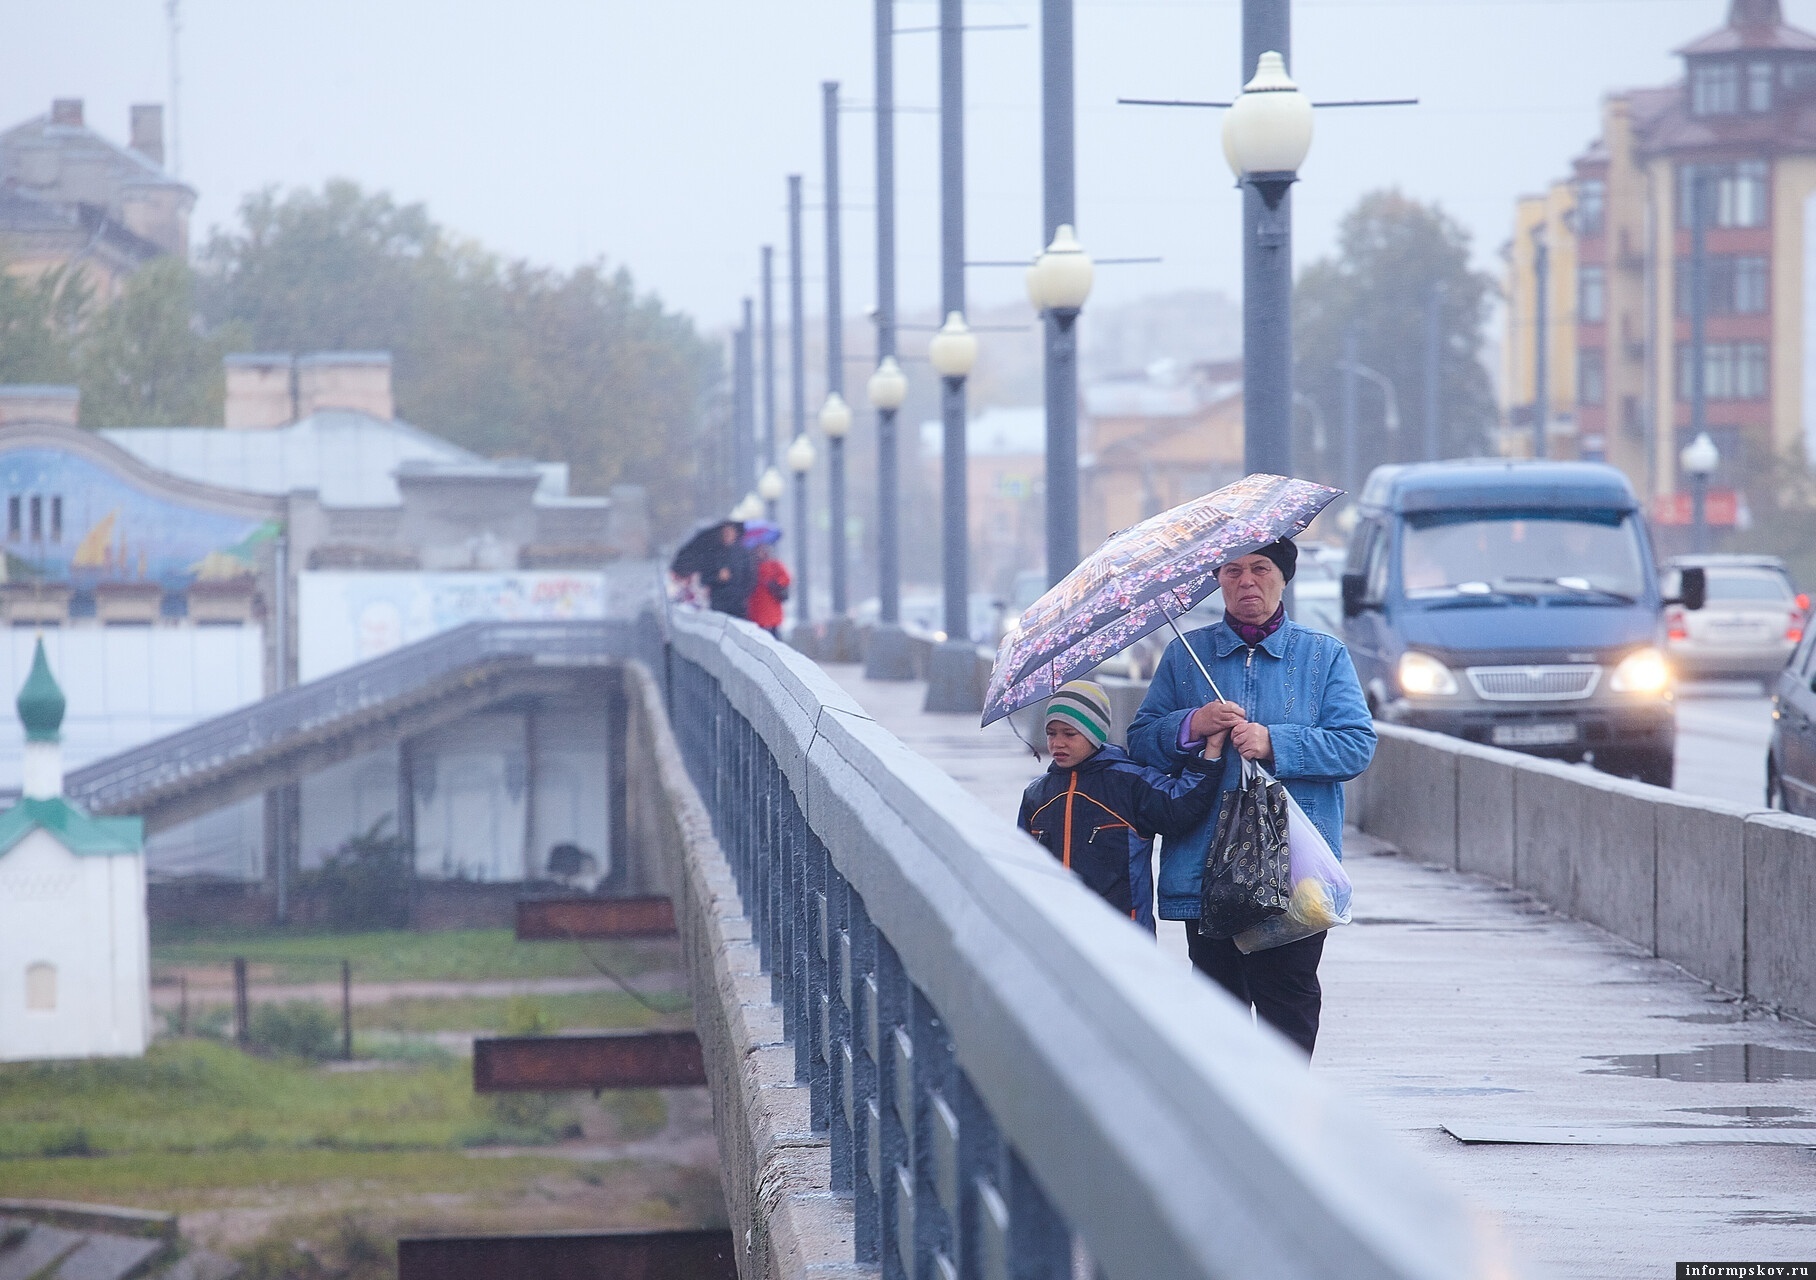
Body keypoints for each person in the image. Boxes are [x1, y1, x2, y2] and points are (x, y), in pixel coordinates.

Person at [1127, 538, 1376, 1056]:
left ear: (1283, 578)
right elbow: (1142, 741)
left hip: (1295, 871)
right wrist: (1192, 724)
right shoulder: (1184, 655)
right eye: (1232, 570)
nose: (1246, 582)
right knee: (1217, 1009)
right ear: (1217, 580)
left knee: (1289, 1001)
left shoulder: (1323, 656)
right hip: (1203, 866)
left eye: (1260, 569)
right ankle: (1227, 1127)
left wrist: (1275, 742)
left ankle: (1284, 1122)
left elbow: (1355, 746)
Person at [1018, 680, 1224, 934]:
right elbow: (1022, 863)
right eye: (1051, 733)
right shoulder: (1036, 795)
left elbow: (1179, 807)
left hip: (1123, 935)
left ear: (1094, 732)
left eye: (1069, 734)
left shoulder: (1129, 781)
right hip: (1055, 931)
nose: (1057, 743)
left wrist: (1211, 753)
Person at [703, 522, 755, 619]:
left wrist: (742, 594)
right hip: (719, 604)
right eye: (725, 532)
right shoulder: (713, 553)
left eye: (729, 532)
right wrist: (717, 577)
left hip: (738, 605)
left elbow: (750, 577)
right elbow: (704, 578)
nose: (727, 535)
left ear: (735, 533)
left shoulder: (743, 553)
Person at [745, 529, 791, 638]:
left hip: (770, 610)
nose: (760, 553)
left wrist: (775, 583)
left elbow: (786, 578)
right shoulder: (751, 567)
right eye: (758, 550)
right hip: (757, 610)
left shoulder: (775, 565)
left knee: (771, 638)